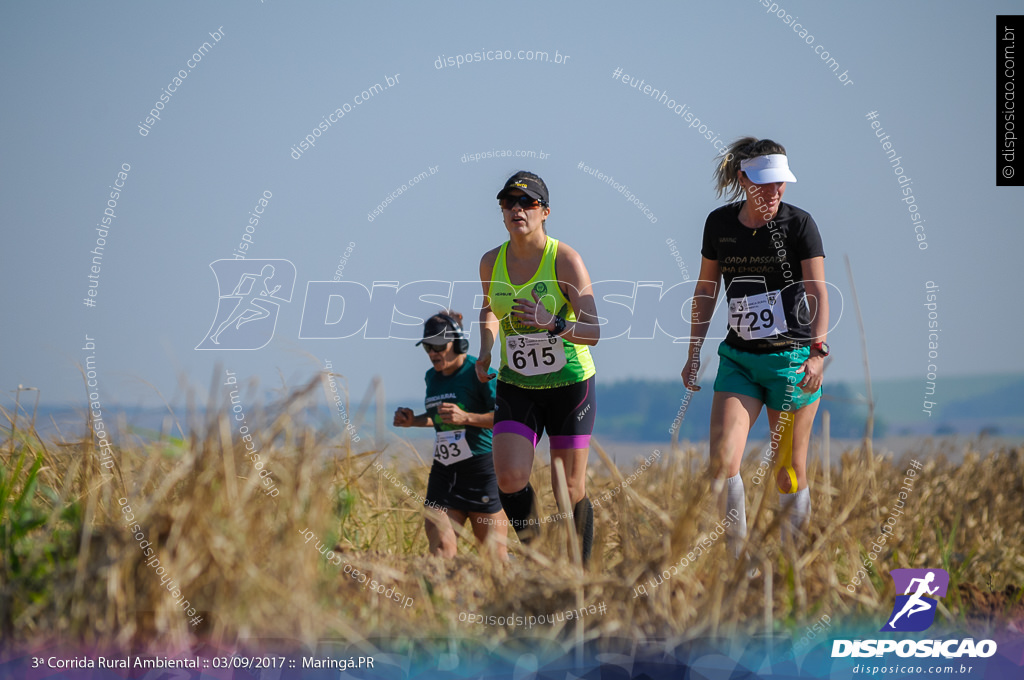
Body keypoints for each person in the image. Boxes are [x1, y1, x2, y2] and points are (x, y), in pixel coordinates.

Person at [681, 138, 829, 563]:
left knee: (787, 471)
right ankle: (738, 566)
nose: (774, 192)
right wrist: (694, 351)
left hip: (792, 360)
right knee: (722, 464)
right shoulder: (719, 224)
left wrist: (818, 352)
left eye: (780, 184)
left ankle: (793, 568)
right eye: (765, 184)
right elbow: (706, 290)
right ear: (743, 179)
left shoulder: (800, 225)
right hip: (739, 360)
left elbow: (818, 290)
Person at [475, 171, 600, 563]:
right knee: (510, 478)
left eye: (527, 203)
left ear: (545, 212)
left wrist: (554, 323)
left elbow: (593, 330)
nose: (517, 209)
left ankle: (578, 579)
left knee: (568, 489)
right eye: (508, 202)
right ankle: (539, 559)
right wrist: (485, 350)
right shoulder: (490, 261)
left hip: (569, 385)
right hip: (517, 384)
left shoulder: (565, 260)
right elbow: (489, 310)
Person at [392, 311, 508, 559]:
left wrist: (467, 418)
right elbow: (440, 417)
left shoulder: (480, 372)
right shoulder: (431, 377)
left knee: (494, 561)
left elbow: (507, 419)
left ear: (457, 343)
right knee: (442, 553)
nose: (433, 353)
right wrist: (414, 421)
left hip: (480, 472)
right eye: (427, 347)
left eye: (438, 346)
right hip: (444, 474)